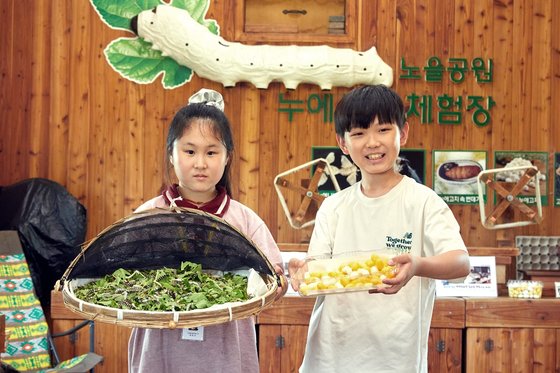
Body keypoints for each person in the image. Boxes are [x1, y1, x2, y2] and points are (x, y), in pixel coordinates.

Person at [289, 84, 470, 373]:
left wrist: (417, 265)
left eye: (383, 130)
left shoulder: (422, 202)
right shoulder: (333, 207)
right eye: (359, 134)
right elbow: (316, 270)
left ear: (404, 132)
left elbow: (461, 262)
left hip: (395, 360)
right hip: (329, 359)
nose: (372, 143)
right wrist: (301, 272)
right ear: (343, 143)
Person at [128, 88, 287, 373]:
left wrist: (278, 282)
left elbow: (276, 281)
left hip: (226, 357)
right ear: (172, 155)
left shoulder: (244, 220)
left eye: (211, 152)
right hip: (160, 355)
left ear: (227, 158)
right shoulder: (148, 217)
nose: (200, 163)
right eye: (189, 151)